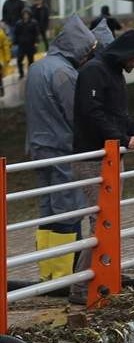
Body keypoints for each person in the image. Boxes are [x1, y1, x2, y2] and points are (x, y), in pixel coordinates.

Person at [72, 28, 134, 303]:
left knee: (111, 219)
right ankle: (82, 286)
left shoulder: (116, 74)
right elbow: (92, 112)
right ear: (128, 54)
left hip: (112, 156)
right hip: (91, 157)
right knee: (102, 221)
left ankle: (105, 273)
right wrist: (122, 138)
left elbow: (120, 115)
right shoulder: (93, 72)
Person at [25, 15, 113, 280]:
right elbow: (77, 113)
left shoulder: (38, 67)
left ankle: (48, 273)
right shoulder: (64, 72)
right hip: (62, 147)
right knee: (68, 211)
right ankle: (66, 275)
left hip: (38, 148)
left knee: (47, 209)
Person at [13, 5, 36, 77]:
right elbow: (16, 33)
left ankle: (31, 73)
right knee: (19, 60)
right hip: (21, 45)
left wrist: (36, 42)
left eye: (27, 14)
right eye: (24, 14)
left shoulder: (33, 23)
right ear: (22, 15)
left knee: (31, 61)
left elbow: (36, 33)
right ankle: (21, 73)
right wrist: (15, 42)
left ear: (29, 14)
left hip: (30, 45)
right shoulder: (18, 23)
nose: (25, 16)